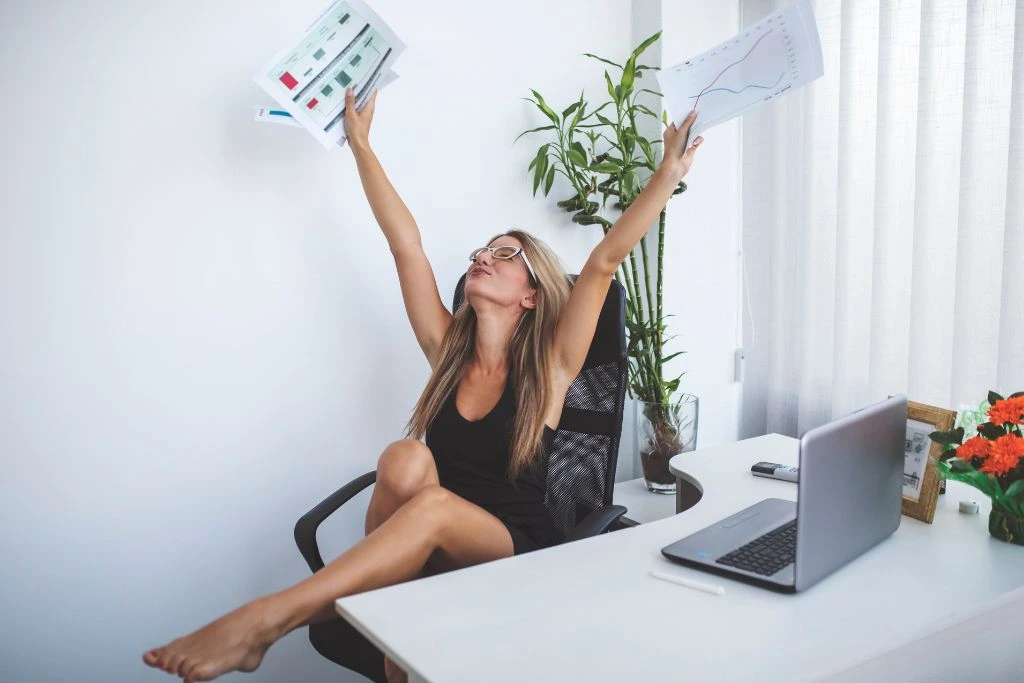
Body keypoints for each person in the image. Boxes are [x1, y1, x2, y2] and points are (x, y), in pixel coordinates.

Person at [142, 87, 702, 683]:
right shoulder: (446, 354)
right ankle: (398, 622)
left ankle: (268, 621)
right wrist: (359, 146)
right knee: (406, 457)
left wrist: (667, 173)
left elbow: (603, 263)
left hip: (512, 546)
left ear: (532, 294)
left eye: (505, 254)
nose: (483, 256)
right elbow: (404, 242)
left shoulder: (554, 368)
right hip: (430, 543)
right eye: (482, 250)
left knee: (432, 504)